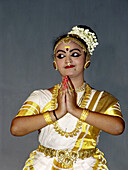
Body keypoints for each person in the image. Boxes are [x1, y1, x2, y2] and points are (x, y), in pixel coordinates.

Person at [10, 25, 125, 170]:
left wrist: (75, 110)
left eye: (75, 54)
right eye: (61, 56)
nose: (68, 60)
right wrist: (57, 113)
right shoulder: (41, 96)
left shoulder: (102, 99)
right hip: (45, 165)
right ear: (55, 63)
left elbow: (117, 127)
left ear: (87, 58)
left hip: (86, 165)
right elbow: (16, 128)